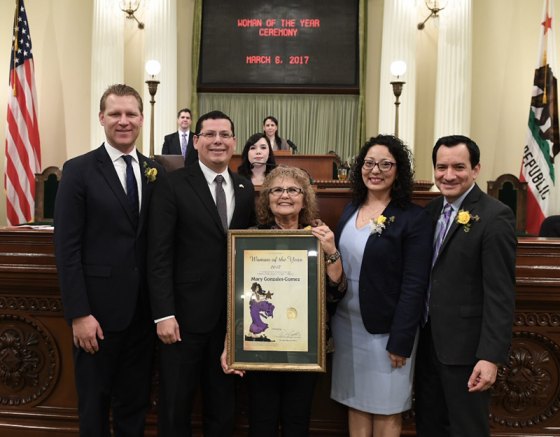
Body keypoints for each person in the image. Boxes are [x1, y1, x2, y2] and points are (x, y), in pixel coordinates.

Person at [54, 84, 162, 436]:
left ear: (142, 119)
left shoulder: (155, 171)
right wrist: (79, 313)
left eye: (131, 114)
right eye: (115, 114)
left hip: (143, 315)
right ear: (101, 118)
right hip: (96, 317)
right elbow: (66, 249)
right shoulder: (79, 170)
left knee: (134, 407)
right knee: (94, 407)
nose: (123, 121)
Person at [148, 110, 256, 436]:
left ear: (234, 141)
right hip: (182, 320)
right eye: (209, 134)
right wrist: (163, 313)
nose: (217, 141)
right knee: (175, 409)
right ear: (196, 141)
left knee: (223, 411)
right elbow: (159, 253)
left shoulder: (245, 187)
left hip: (229, 324)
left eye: (224, 134)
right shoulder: (173, 184)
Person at [221, 166, 344, 437]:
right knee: (261, 423)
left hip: (306, 347)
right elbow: (238, 297)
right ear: (267, 198)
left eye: (293, 190)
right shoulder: (250, 237)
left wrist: (332, 252)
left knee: (297, 423)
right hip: (260, 348)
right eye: (277, 190)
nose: (284, 195)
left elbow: (336, 293)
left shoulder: (319, 236)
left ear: (304, 198)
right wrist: (231, 343)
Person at [330, 135, 433, 437]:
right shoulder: (351, 210)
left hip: (387, 331)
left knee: (387, 407)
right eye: (369, 163)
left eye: (386, 164)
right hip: (347, 327)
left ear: (398, 170)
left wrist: (401, 339)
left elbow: (415, 285)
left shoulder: (412, 218)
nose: (376, 170)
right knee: (356, 403)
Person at [414, 135, 517, 437]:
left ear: (476, 169)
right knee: (429, 426)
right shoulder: (431, 212)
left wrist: (490, 356)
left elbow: (501, 294)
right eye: (441, 167)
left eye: (459, 167)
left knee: (466, 430)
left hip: (468, 353)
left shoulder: (495, 216)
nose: (448, 175)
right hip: (428, 345)